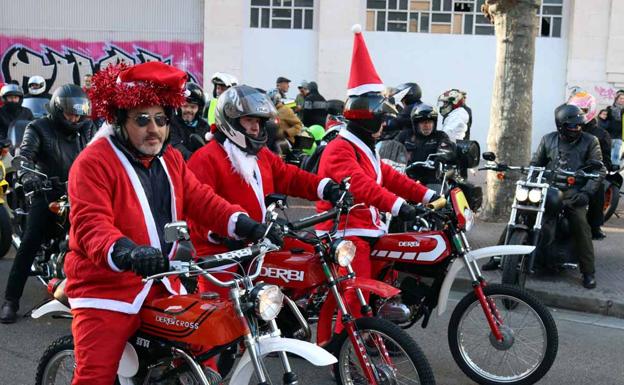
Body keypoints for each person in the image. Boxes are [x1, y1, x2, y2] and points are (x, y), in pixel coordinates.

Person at [59, 62, 280, 385]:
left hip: (162, 281)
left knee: (205, 342)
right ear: (118, 119)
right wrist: (128, 252)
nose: (154, 129)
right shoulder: (93, 162)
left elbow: (202, 200)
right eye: (142, 119)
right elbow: (92, 224)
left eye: (161, 119)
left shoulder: (170, 158)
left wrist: (248, 225)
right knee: (96, 374)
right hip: (107, 286)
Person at [316, 25, 441, 329]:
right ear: (367, 117)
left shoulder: (364, 147)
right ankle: (347, 348)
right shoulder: (339, 149)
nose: (385, 124)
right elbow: (361, 186)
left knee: (391, 269)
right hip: (344, 231)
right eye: (382, 118)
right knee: (356, 295)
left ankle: (383, 330)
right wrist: (401, 206)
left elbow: (388, 175)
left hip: (368, 227)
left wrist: (428, 196)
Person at [187, 85, 346, 293]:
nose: (255, 128)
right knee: (226, 318)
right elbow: (195, 209)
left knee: (313, 260)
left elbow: (289, 176)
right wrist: (221, 235)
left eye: (259, 122)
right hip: (223, 253)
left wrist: (326, 188)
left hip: (261, 240)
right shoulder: (206, 158)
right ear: (231, 121)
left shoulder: (260, 154)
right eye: (249, 121)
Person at [0, 84, 96, 323]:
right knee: (31, 240)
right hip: (48, 193)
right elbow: (24, 155)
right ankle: (11, 300)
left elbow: (101, 153)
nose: (75, 117)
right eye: (70, 113)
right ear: (56, 108)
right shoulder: (39, 127)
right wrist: (29, 175)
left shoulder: (87, 129)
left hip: (81, 193)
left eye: (78, 113)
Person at [484, 104, 604, 288]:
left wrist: (586, 192)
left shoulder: (590, 141)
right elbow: (535, 163)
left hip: (573, 191)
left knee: (579, 221)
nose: (577, 128)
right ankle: (498, 256)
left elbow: (599, 168)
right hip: (547, 186)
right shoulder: (548, 139)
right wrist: (529, 181)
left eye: (579, 125)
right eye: (573, 125)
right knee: (519, 212)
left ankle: (588, 271)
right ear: (561, 125)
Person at [568, 91, 611, 240]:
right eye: (575, 109)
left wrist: (594, 169)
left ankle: (595, 226)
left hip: (588, 174)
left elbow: (606, 162)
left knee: (597, 188)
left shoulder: (601, 134)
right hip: (565, 172)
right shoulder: (564, 129)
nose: (579, 113)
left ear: (591, 110)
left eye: (583, 110)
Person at [396, 103, 451, 185]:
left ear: (434, 123)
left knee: (437, 196)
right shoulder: (405, 135)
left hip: (432, 180)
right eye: (423, 123)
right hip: (408, 177)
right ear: (416, 124)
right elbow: (393, 148)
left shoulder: (440, 136)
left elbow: (446, 148)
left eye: (429, 122)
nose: (427, 126)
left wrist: (441, 158)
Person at [169, 82, 210, 160]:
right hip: (179, 166)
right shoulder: (172, 123)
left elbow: (209, 148)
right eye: (185, 106)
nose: (188, 110)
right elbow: (175, 145)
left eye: (193, 107)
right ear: (179, 106)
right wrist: (193, 159)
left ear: (199, 109)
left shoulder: (204, 126)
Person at [606, 91, 624, 167]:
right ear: (616, 99)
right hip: (610, 134)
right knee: (609, 152)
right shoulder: (610, 109)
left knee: (616, 153)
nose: (622, 100)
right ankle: (609, 165)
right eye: (621, 98)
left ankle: (615, 166)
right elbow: (605, 120)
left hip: (619, 135)